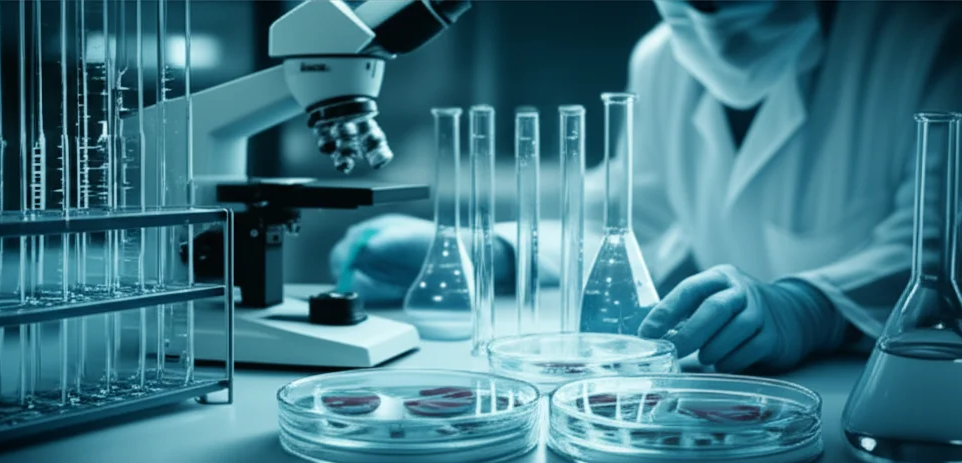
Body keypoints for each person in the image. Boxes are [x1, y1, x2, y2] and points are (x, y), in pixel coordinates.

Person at [329, 0, 962, 374]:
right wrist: (496, 252)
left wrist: (814, 307)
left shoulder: (929, 35)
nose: (710, 15)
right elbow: (639, 224)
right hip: (715, 388)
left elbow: (936, 253)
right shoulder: (663, 56)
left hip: (875, 390)